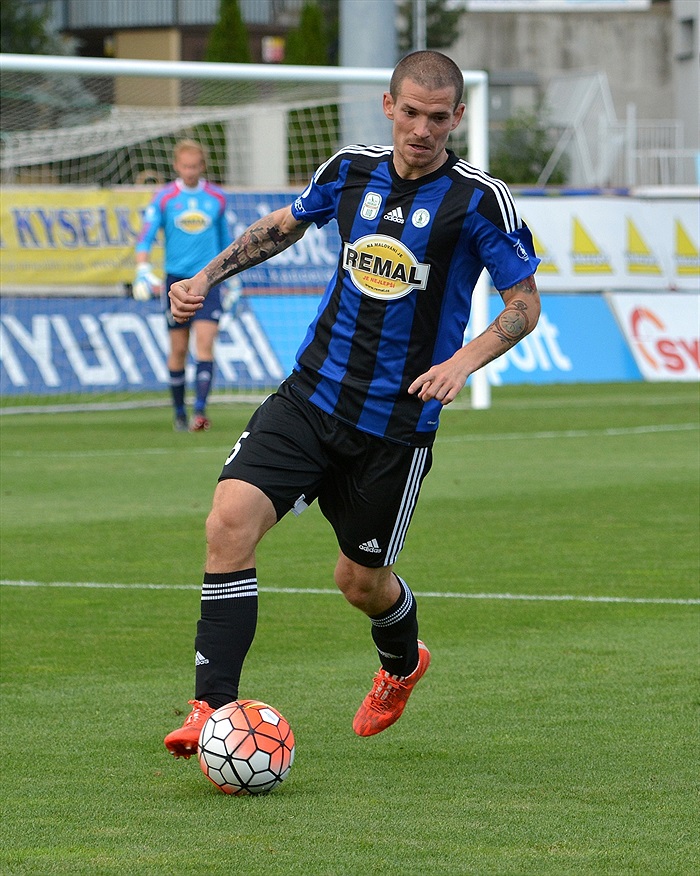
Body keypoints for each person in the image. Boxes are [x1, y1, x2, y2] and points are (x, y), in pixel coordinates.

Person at [164, 50, 541, 755]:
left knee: (360, 582)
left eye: (438, 117)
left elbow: (524, 303)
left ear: (458, 117)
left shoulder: (479, 200)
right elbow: (283, 224)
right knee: (228, 522)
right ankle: (209, 708)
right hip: (310, 396)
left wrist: (462, 360)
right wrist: (207, 274)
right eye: (411, 113)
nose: (422, 129)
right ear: (388, 106)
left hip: (394, 427)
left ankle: (403, 662)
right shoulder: (349, 170)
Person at [133, 139, 234, 432]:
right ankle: (179, 412)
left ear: (202, 166)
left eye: (195, 166)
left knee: (205, 343)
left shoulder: (217, 198)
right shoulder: (164, 198)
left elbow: (226, 241)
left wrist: (232, 280)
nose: (190, 171)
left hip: (209, 279)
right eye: (185, 166)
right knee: (178, 348)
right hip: (176, 281)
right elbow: (146, 236)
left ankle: (199, 412)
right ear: (177, 166)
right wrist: (142, 267)